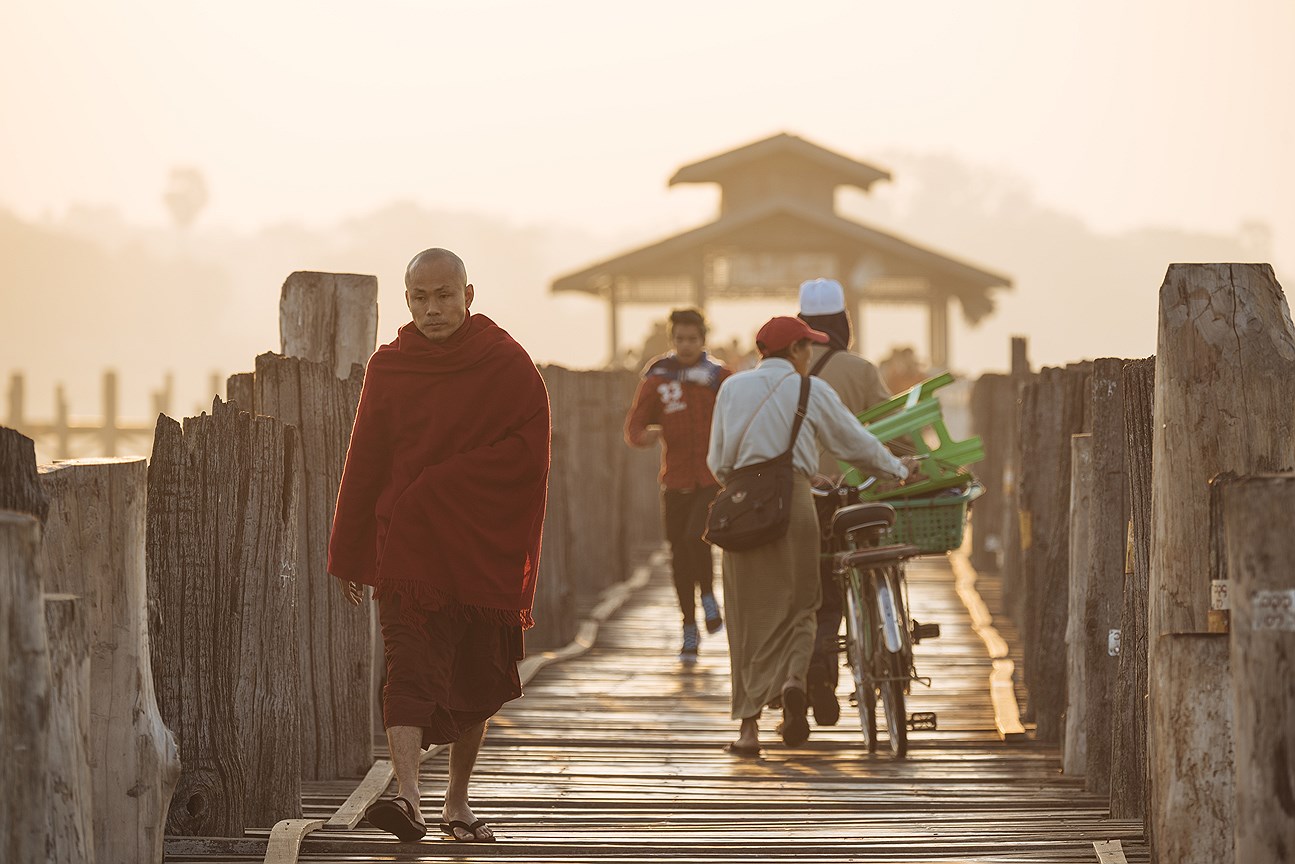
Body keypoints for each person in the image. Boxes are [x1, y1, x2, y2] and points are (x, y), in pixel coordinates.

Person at [328, 248, 551, 843]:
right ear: (407, 301)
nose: (433, 309)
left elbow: (530, 451)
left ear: (469, 294)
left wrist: (440, 486)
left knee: (474, 670)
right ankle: (408, 801)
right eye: (421, 298)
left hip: (478, 549)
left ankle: (456, 800)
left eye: (444, 295)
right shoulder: (391, 367)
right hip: (407, 547)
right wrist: (351, 552)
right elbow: (366, 458)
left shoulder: (503, 363)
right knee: (409, 666)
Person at [707, 316, 915, 755]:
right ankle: (793, 680)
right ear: (798, 351)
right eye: (809, 349)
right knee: (802, 604)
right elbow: (853, 443)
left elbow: (719, 461)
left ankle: (748, 730)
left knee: (746, 615)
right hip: (795, 502)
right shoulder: (811, 390)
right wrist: (895, 470)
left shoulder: (732, 388)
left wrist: (752, 477)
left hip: (743, 504)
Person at [796, 277, 893, 727]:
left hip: (799, 497)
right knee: (843, 587)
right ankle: (841, 666)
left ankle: (809, 669)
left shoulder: (787, 368)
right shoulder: (860, 370)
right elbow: (895, 431)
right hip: (854, 498)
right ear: (843, 323)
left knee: (807, 594)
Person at [624, 308, 732, 664]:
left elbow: (738, 416)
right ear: (672, 340)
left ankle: (709, 596)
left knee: (694, 537)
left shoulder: (719, 377)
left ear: (704, 340)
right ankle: (689, 626)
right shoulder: (657, 378)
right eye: (680, 339)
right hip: (674, 479)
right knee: (678, 556)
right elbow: (634, 426)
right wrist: (646, 436)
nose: (686, 346)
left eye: (693, 339)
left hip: (710, 477)